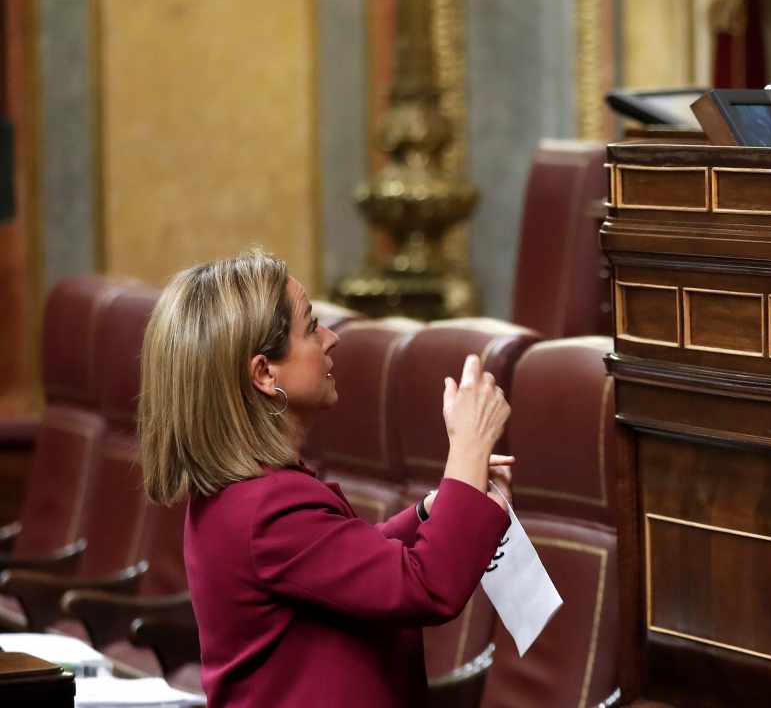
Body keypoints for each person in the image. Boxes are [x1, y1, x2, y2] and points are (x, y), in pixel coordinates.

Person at [138, 250, 513, 707]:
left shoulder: (244, 494)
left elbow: (336, 561)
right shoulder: (269, 507)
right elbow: (427, 587)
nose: (331, 338)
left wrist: (428, 512)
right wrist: (469, 447)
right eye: (311, 326)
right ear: (263, 372)